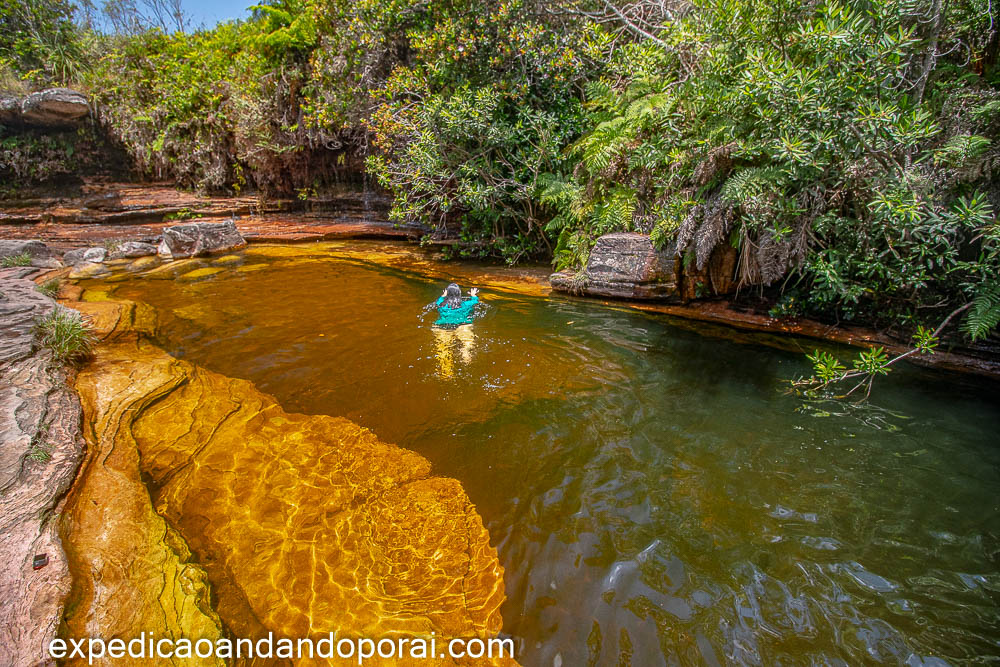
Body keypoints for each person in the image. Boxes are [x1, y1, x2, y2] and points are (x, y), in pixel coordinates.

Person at [430, 283, 480, 378]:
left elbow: (439, 300)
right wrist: (473, 295)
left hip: (443, 326)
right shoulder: (466, 304)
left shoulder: (440, 304)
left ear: (447, 293)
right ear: (459, 293)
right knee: (467, 343)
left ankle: (446, 369)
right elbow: (475, 301)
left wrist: (443, 295)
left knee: (443, 348)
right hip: (462, 325)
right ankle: (465, 354)